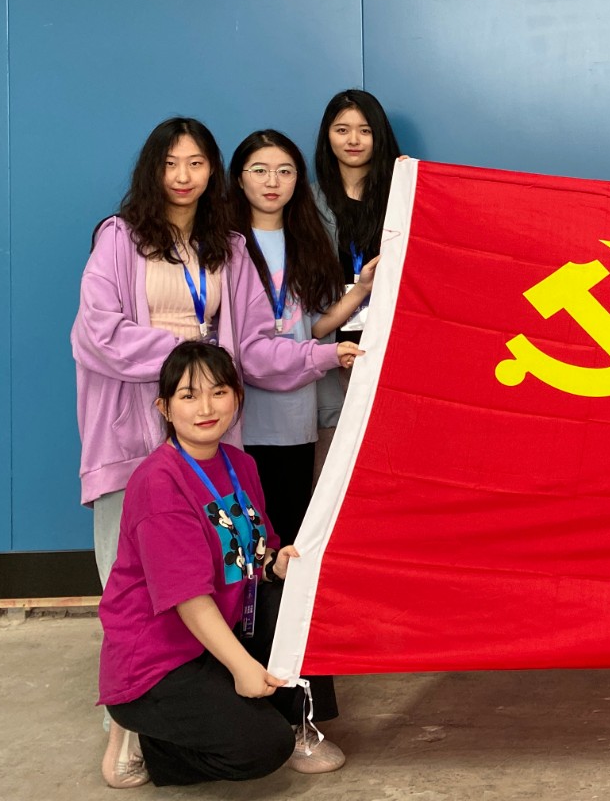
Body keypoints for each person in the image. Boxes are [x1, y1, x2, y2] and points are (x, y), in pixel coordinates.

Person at [73, 117, 357, 584]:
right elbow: (97, 333)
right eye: (170, 164)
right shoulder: (120, 237)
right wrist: (191, 355)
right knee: (132, 566)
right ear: (152, 170)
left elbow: (252, 348)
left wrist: (325, 356)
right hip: (130, 422)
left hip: (206, 422)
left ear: (212, 170)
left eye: (196, 163)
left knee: (209, 561)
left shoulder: (229, 247)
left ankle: (210, 634)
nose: (183, 176)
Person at [99, 342, 343, 787]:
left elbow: (253, 554)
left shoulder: (240, 465)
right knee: (262, 748)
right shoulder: (159, 482)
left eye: (219, 392)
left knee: (296, 595)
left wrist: (275, 565)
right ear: (164, 407)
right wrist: (241, 667)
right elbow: (188, 598)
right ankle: (148, 741)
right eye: (189, 395)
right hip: (159, 658)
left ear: (237, 397)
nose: (206, 408)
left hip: (216, 635)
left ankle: (299, 722)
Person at [230, 129, 378, 752]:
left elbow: (311, 328)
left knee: (293, 564)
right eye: (259, 169)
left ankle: (302, 714)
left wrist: (359, 292)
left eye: (285, 171)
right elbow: (253, 351)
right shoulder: (225, 245)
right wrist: (321, 357)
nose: (272, 182)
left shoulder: (303, 238)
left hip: (291, 427)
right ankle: (245, 700)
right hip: (234, 429)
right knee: (243, 567)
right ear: (238, 177)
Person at [312, 90, 403, 440]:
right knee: (333, 453)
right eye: (342, 129)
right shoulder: (307, 202)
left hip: (391, 350)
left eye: (365, 130)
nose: (353, 140)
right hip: (333, 352)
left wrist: (413, 183)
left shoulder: (402, 196)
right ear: (327, 136)